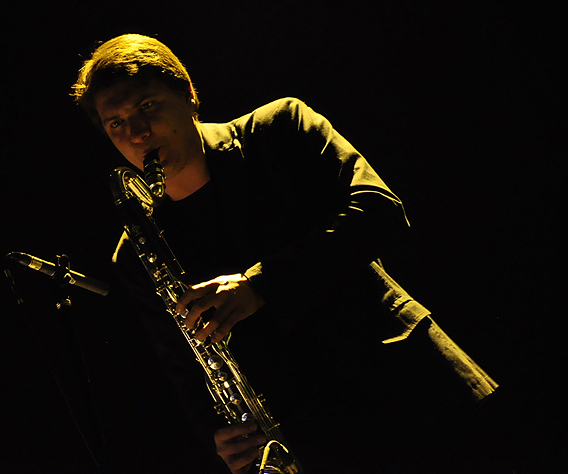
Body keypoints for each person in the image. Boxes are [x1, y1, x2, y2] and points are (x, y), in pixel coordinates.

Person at [71, 34, 500, 473]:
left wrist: (259, 285)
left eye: (147, 106)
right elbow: (185, 369)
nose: (137, 134)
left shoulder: (280, 128)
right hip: (316, 443)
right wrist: (221, 439)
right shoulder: (137, 250)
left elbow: (380, 211)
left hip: (413, 392)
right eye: (116, 124)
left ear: (188, 95)